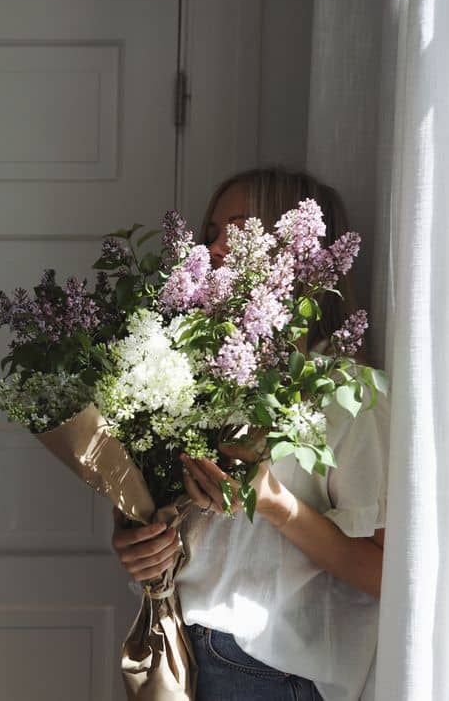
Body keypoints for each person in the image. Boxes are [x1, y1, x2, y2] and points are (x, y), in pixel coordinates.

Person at [112, 167, 389, 701]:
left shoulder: (349, 393)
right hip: (179, 646)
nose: (211, 249)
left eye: (235, 230)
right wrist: (136, 541)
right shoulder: (189, 375)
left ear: (299, 251)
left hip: (268, 668)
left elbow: (388, 574)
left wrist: (272, 504)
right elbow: (184, 526)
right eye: (210, 232)